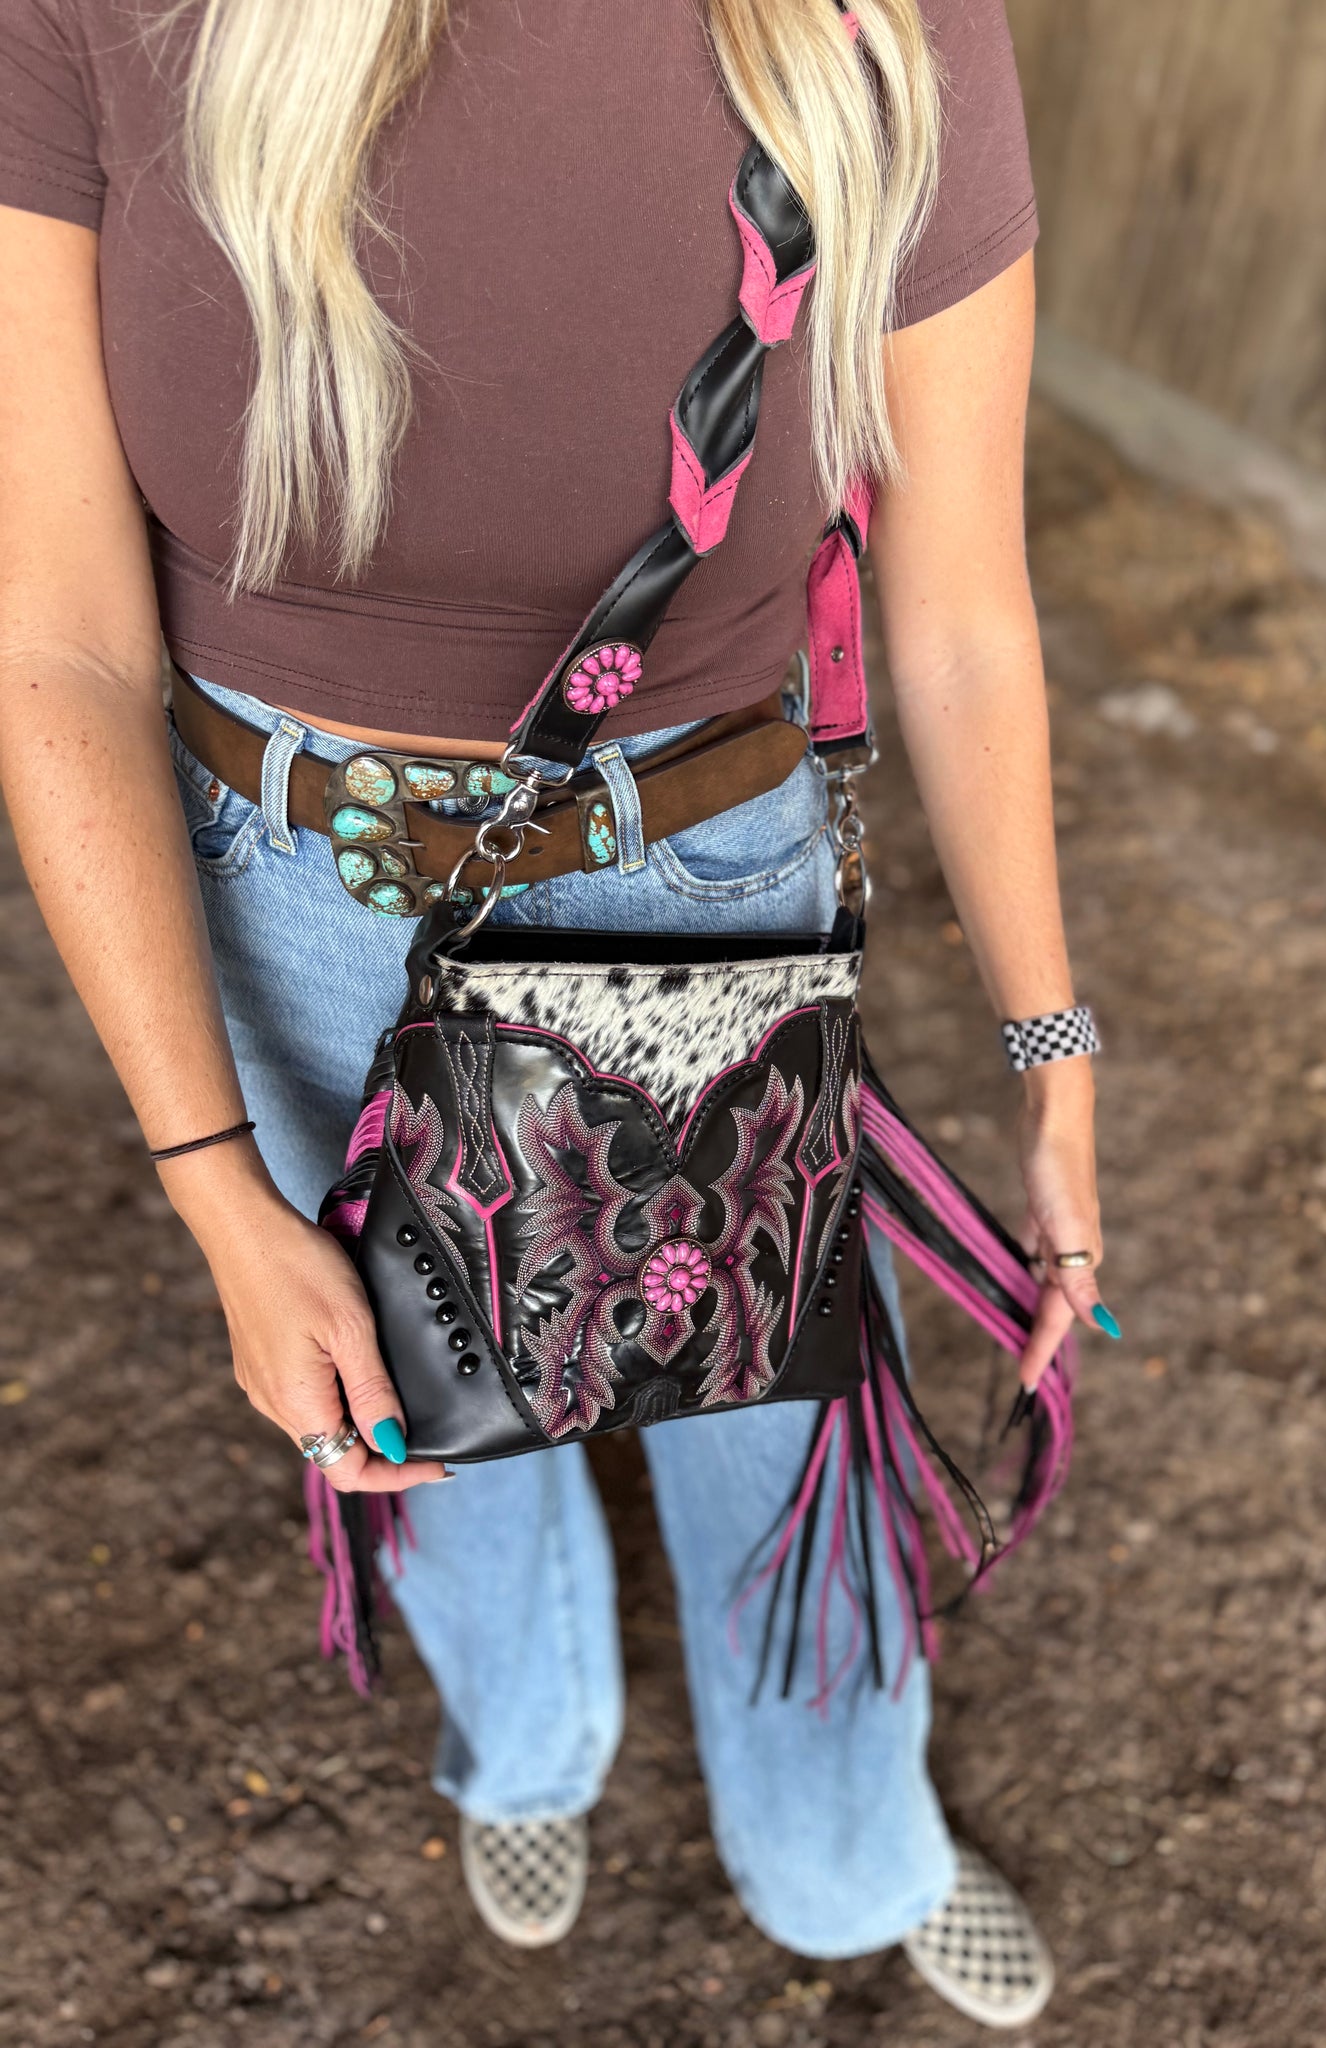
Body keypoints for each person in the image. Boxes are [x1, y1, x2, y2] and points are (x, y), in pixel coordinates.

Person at [0, 0, 1109, 2025]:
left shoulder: (880, 19)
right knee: (412, 1416)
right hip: (289, 898)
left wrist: (1053, 1055)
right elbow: (55, 634)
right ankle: (527, 1742)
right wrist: (208, 1183)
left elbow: (960, 603)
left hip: (698, 877)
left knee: (773, 1431)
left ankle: (846, 1852)